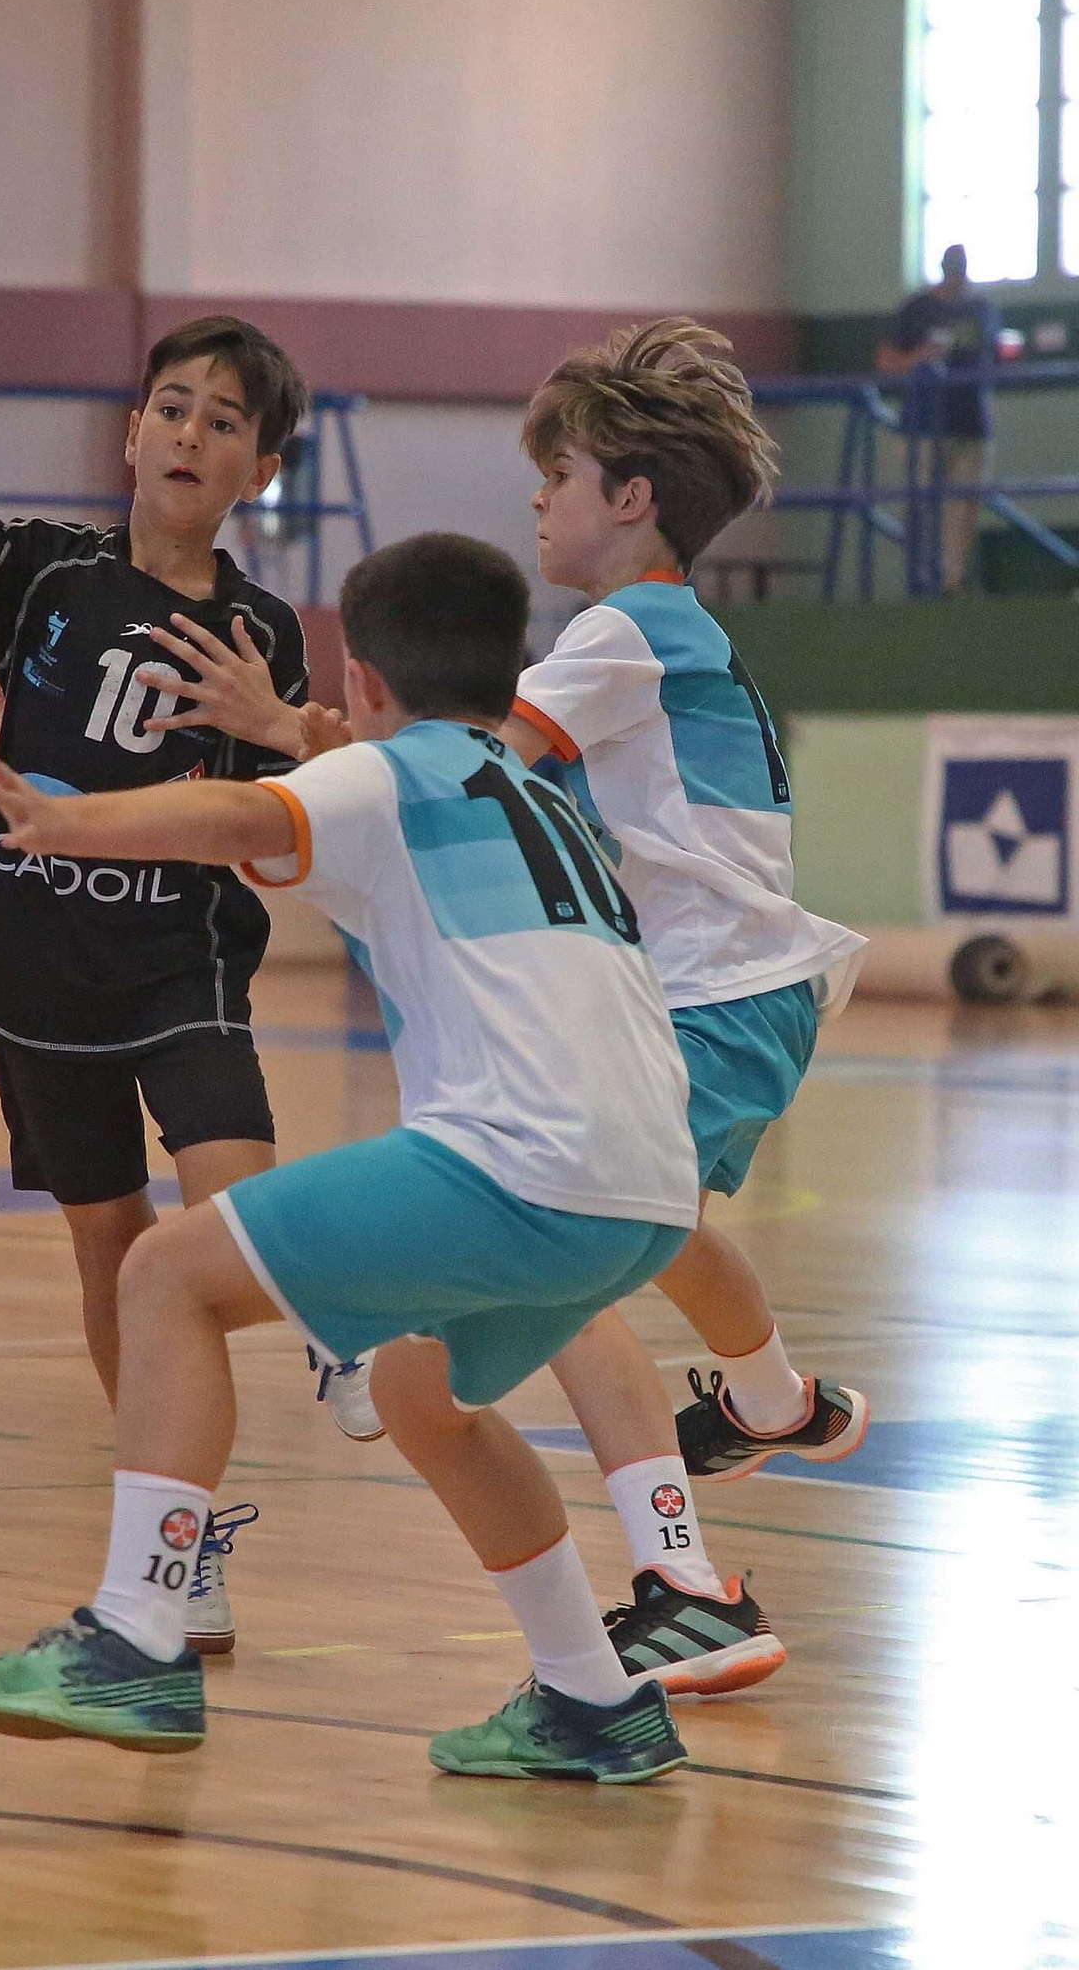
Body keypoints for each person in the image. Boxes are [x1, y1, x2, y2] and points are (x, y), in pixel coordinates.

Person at [0, 532, 699, 1783]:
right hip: (650, 1193)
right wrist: (311, 741)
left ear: (364, 677)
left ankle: (135, 1636)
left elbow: (245, 812)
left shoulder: (389, 776)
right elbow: (345, 796)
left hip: (520, 1164)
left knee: (165, 1274)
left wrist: (70, 818)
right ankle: (592, 1698)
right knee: (423, 1398)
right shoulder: (534, 792)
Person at [0, 296, 328, 1651]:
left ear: (259, 470)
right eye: (171, 409)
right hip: (41, 976)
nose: (188, 435)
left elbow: (285, 833)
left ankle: (342, 1319)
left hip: (183, 968)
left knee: (234, 1224)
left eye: (222, 423)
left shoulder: (262, 629)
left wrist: (281, 729)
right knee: (114, 1252)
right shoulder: (48, 573)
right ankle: (177, 1545)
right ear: (130, 432)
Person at [427, 316, 869, 1727]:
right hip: (744, 994)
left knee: (567, 1250)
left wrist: (306, 754)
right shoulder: (665, 634)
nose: (538, 496)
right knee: (658, 1223)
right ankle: (772, 1402)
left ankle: (686, 1585)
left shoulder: (625, 629)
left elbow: (480, 767)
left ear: (629, 498)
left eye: (558, 473)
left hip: (715, 994)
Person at [877, 243, 1003, 593]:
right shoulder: (917, 310)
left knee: (964, 508)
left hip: (971, 424)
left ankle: (952, 583)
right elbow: (887, 361)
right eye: (951, 270)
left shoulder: (982, 310)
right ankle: (922, 580)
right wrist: (922, 356)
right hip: (922, 426)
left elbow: (994, 357)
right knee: (921, 506)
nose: (956, 278)